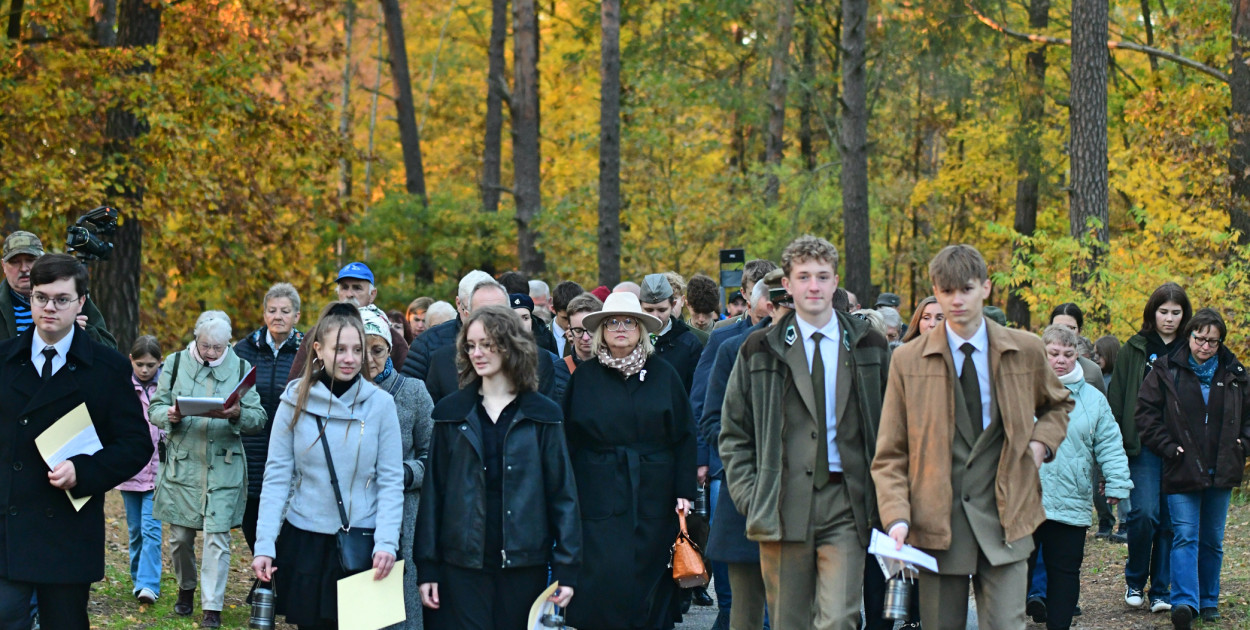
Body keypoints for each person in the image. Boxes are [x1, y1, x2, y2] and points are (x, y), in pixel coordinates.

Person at [872, 244, 1072, 630]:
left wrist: (1038, 445)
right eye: (946, 292)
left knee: (1006, 625)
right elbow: (891, 453)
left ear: (986, 288)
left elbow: (1058, 404)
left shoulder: (1025, 349)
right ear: (934, 289)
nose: (956, 300)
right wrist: (896, 517)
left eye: (965, 289)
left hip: (1007, 516)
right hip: (936, 524)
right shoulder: (907, 361)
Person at [720, 235, 889, 630]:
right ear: (789, 286)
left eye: (823, 276)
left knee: (839, 619)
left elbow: (894, 428)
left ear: (835, 284)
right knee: (788, 620)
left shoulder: (870, 345)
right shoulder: (758, 348)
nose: (814, 285)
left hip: (847, 502)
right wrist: (752, 494)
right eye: (804, 276)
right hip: (781, 502)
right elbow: (733, 432)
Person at [0, 253, 152, 630]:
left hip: (67, 527)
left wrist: (84, 471)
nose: (49, 307)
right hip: (7, 524)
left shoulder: (108, 367)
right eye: (40, 297)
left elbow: (135, 444)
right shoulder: (3, 361)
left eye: (61, 299)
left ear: (81, 301)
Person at [416, 306, 581, 628]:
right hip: (461, 563)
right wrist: (428, 567)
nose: (477, 353)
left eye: (488, 344)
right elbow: (433, 494)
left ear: (510, 346)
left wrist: (567, 570)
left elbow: (563, 495)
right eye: (471, 345)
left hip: (524, 562)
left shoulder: (542, 414)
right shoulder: (451, 412)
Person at [252, 302, 404, 630]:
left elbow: (390, 481)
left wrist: (386, 542)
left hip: (361, 542)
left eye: (357, 349)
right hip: (306, 540)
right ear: (319, 350)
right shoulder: (294, 401)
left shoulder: (381, 406)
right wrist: (264, 544)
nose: (350, 358)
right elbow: (277, 476)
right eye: (340, 349)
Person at [562, 291, 697, 630]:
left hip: (655, 493)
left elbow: (683, 434)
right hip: (598, 494)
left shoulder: (664, 374)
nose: (620, 328)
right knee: (603, 579)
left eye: (628, 322)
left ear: (641, 329)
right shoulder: (584, 377)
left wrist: (685, 491)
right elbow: (568, 441)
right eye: (612, 323)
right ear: (601, 331)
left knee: (650, 580)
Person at [150, 310, 266, 628]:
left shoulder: (241, 368)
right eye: (206, 346)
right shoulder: (174, 364)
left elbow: (258, 418)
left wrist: (237, 413)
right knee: (179, 538)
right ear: (195, 338)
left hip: (224, 465)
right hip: (183, 465)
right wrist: (168, 415)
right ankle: (186, 587)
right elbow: (155, 407)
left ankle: (212, 608)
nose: (212, 352)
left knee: (218, 538)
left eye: (218, 347)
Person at [1136, 308, 1250, 629]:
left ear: (1220, 342)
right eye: (1199, 338)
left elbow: (1249, 420)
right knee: (1185, 535)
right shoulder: (1166, 369)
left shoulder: (1236, 374)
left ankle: (1209, 600)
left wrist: (1241, 446)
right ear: (1189, 336)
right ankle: (1185, 601)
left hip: (1222, 466)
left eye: (1212, 341)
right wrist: (1168, 447)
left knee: (1212, 538)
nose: (1205, 346)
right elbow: (1145, 413)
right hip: (1181, 465)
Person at [1026, 325, 1132, 629]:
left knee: (1065, 572)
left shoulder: (1093, 400)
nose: (1061, 360)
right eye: (1054, 354)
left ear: (1078, 356)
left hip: (1070, 500)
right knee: (1018, 569)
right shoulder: (1020, 390)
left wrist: (1116, 482)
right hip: (1025, 499)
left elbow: (1110, 443)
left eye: (1068, 354)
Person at [701, 273, 790, 630]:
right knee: (745, 612)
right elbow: (710, 420)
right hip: (747, 493)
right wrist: (746, 460)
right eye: (785, 303)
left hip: (804, 499)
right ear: (767, 305)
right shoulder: (730, 347)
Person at [1108, 282, 1191, 613]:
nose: (1169, 319)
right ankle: (1135, 579)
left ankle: (1161, 590)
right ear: (1152, 313)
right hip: (1141, 446)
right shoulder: (1134, 349)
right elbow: (1117, 401)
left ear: (1184, 315)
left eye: (1175, 312)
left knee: (1171, 522)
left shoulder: (1191, 348)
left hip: (1182, 450)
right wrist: (1115, 448)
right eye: (1163, 312)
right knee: (1143, 515)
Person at [359, 306, 433, 630]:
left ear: (390, 348)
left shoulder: (413, 392)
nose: (369, 359)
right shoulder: (336, 395)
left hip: (404, 517)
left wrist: (404, 473)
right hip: (355, 514)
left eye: (377, 350)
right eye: (361, 350)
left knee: (400, 611)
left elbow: (435, 458)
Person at [232, 282, 303, 553]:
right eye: (272, 310)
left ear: (296, 316)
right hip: (252, 445)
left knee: (284, 512)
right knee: (251, 516)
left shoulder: (307, 349)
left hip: (291, 443)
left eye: (285, 311)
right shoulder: (245, 349)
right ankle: (265, 571)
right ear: (264, 315)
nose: (278, 316)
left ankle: (272, 578)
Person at [422, 283, 565, 404]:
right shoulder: (442, 361)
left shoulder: (539, 359)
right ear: (468, 315)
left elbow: (548, 422)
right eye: (482, 313)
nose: (489, 321)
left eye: (497, 314)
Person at [288, 262, 408, 378]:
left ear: (372, 294)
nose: (349, 294)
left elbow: (405, 384)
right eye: (344, 288)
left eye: (357, 288)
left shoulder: (389, 336)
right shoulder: (318, 332)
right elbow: (296, 381)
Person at [0, 231, 115, 348]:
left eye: (30, 260)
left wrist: (84, 333)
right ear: (3, 266)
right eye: (15, 262)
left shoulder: (73, 297)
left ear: (42, 261)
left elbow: (110, 350)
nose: (24, 268)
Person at [117, 335, 165, 605]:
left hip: (158, 470)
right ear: (131, 361)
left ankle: (148, 584)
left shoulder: (167, 387)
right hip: (130, 470)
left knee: (151, 529)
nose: (145, 370)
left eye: (151, 365)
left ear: (160, 361)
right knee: (135, 530)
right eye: (140, 364)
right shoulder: (123, 387)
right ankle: (138, 578)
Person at [402, 270, 494, 380]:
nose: (484, 318)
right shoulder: (426, 343)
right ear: (459, 304)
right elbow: (409, 393)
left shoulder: (512, 340)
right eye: (474, 311)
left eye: (493, 311)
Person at [641, 274, 705, 392]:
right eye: (649, 310)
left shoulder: (689, 343)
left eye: (662, 310)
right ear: (640, 306)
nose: (656, 316)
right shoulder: (632, 341)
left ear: (673, 305)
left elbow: (697, 391)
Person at [1048, 303, 1107, 396]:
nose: (1064, 333)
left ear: (1079, 331)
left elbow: (1102, 407)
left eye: (1070, 328)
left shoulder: (1092, 371)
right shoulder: (1033, 368)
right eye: (1057, 328)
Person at [561, 293, 603, 372]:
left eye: (591, 329)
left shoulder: (616, 367)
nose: (585, 337)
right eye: (578, 330)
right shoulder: (557, 371)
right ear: (570, 329)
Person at [550, 280, 586, 357]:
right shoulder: (542, 335)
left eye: (574, 318)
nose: (570, 324)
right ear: (553, 309)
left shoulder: (590, 336)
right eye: (565, 318)